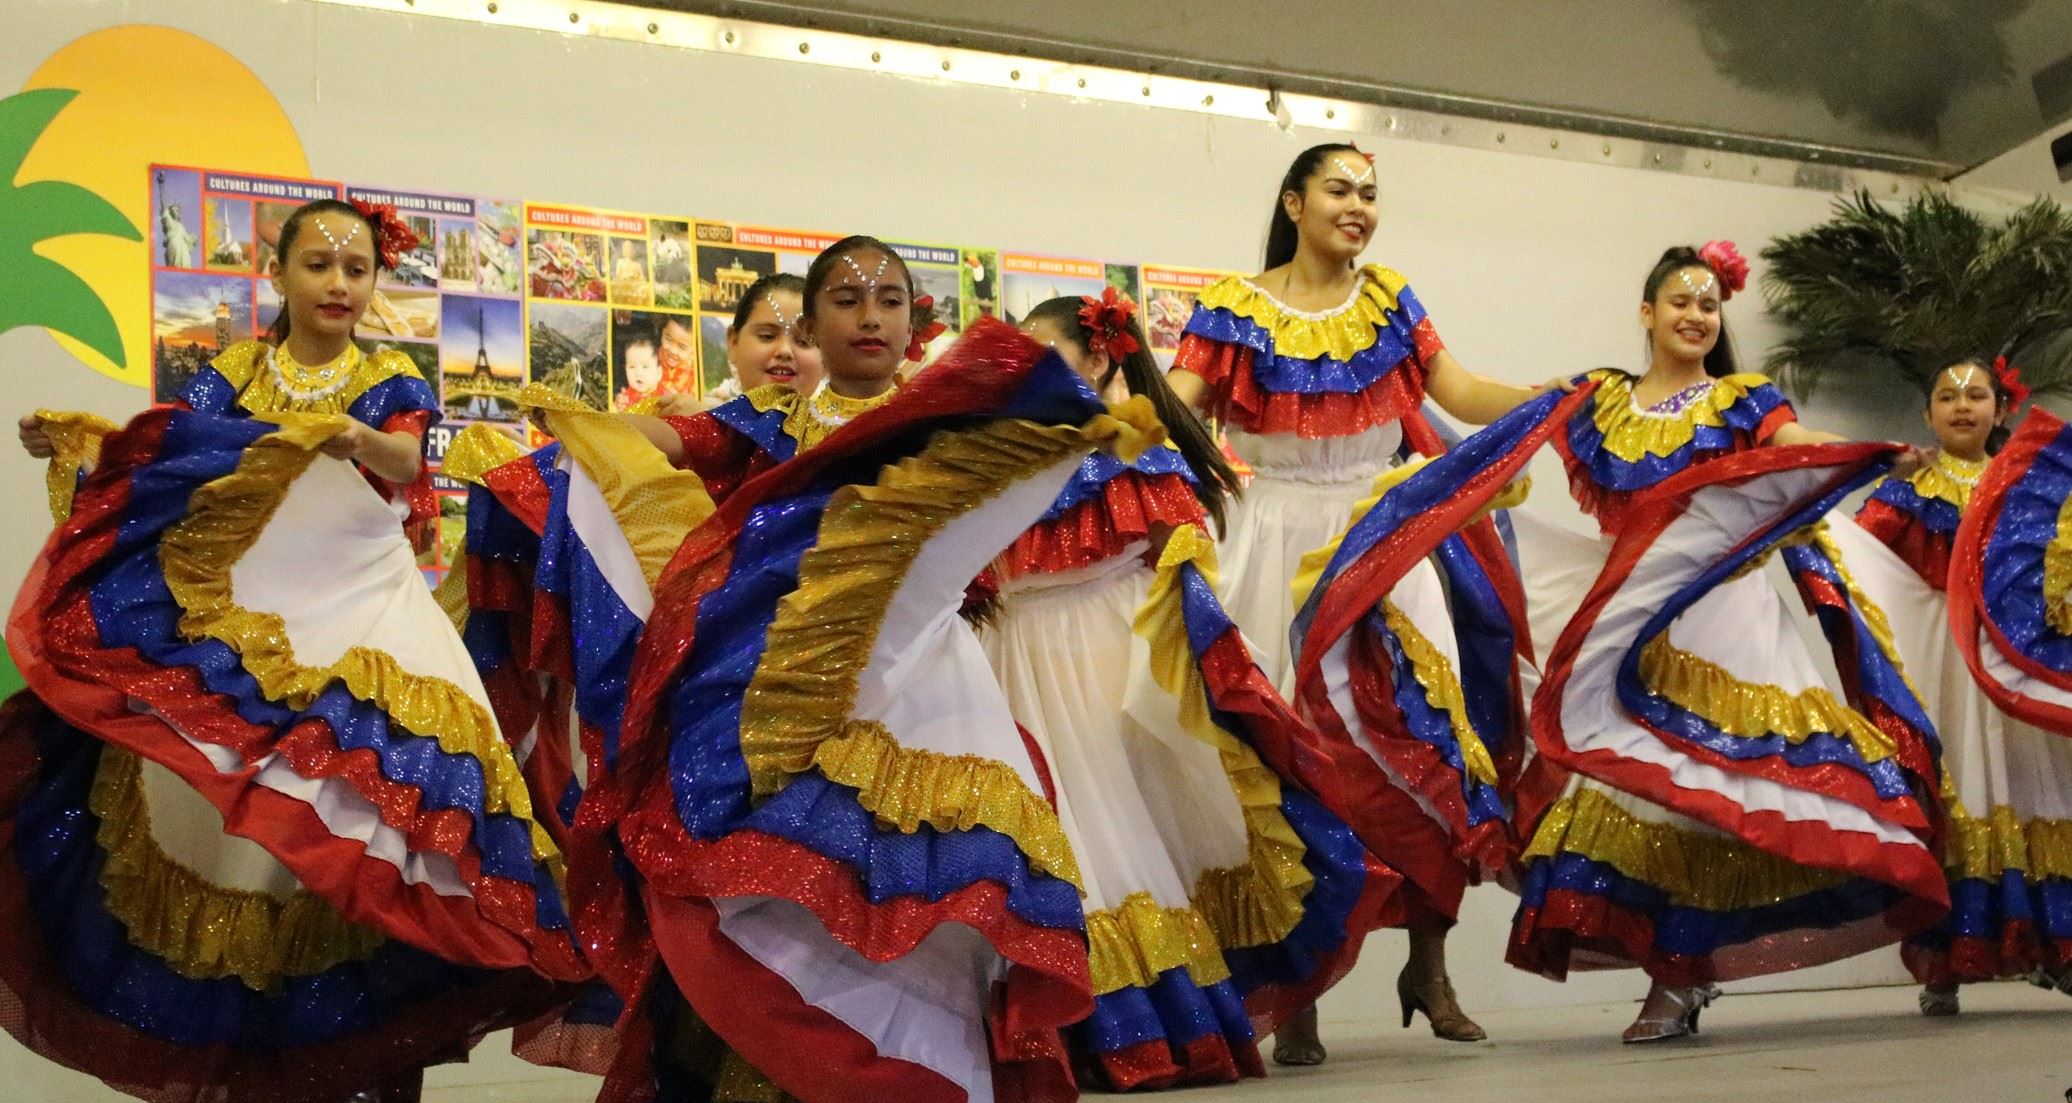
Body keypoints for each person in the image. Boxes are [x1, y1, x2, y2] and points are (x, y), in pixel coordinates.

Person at [573, 235, 1174, 1102]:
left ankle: (923, 1077)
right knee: (780, 877)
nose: (870, 316)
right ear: (812, 321)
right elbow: (666, 439)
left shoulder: (944, 417)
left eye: (889, 299)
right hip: (782, 702)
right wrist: (579, 429)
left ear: (911, 319)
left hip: (930, 686)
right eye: (848, 300)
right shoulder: (768, 423)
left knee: (930, 889)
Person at [5, 197, 578, 1103]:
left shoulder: (390, 374)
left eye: (357, 269)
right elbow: (167, 445)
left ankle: (356, 1064)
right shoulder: (234, 370)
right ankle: (243, 1055)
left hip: (361, 618)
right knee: (237, 827)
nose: (339, 283)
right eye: (320, 264)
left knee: (357, 824)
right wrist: (80, 441)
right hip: (250, 623)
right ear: (279, 275)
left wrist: (354, 437)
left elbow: (403, 462)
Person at [1166, 142, 1556, 1061]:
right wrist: (1110, 405)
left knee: (1419, 743)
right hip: (1271, 542)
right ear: (1294, 202)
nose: (1359, 206)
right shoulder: (1232, 305)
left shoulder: (1389, 298)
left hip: (1382, 537)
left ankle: (1429, 964)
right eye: (1340, 189)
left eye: (1371, 194)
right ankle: (1296, 992)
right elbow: (1178, 405)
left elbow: (1455, 390)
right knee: (1290, 761)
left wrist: (1541, 398)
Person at [1507, 243, 1946, 1042]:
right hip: (1633, 617)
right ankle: (1677, 974)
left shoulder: (1743, 399)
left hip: (1727, 616)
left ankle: (1680, 977)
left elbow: (1794, 442)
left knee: (1716, 794)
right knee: (1643, 788)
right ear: (1646, 312)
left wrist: (1868, 454)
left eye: (1709, 305)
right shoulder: (1602, 400)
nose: (1696, 316)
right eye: (1680, 301)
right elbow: (1509, 420)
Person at [982, 293, 1394, 1087]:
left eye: (1044, 355)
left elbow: (1183, 574)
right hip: (1007, 663)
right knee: (1035, 836)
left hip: (1099, 658)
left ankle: (1121, 1028)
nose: (1022, 372)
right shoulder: (994, 458)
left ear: (1098, 359)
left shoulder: (1137, 458)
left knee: (1101, 830)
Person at [1902, 363, 2072, 1010]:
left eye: (1977, 395)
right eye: (1946, 395)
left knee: (2037, 790)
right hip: (1949, 669)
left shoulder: (2025, 491)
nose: (1962, 406)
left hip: (2014, 664)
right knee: (1964, 787)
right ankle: (1947, 960)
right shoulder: (1914, 488)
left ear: (2002, 409)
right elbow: (1861, 557)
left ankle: (2056, 948)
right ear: (1928, 414)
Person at [694, 273, 823, 409]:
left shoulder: (839, 429)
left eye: (803, 341)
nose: (784, 350)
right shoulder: (690, 423)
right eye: (767, 336)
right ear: (733, 342)